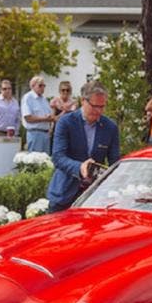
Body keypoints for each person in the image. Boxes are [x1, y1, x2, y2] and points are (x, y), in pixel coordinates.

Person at [47, 81, 120, 212]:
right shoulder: (66, 122)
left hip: (94, 198)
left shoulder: (110, 127)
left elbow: (115, 162)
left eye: (102, 106)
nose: (98, 111)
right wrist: (80, 167)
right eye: (94, 106)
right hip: (64, 193)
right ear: (83, 101)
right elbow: (58, 157)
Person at [21, 76, 57, 153]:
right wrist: (45, 119)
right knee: (35, 161)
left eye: (44, 86)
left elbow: (50, 116)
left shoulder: (44, 99)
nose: (42, 88)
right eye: (40, 85)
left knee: (45, 161)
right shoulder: (28, 98)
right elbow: (28, 118)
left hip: (46, 134)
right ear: (33, 86)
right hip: (35, 133)